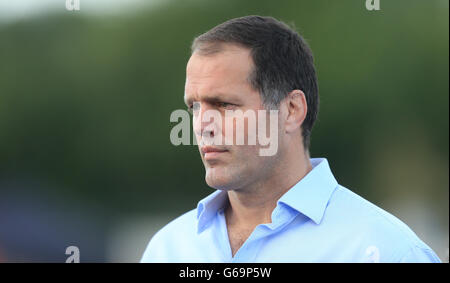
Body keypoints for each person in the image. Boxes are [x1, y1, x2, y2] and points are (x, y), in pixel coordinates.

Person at [141, 15, 441, 263]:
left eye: (224, 105)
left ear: (291, 110)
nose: (202, 125)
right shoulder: (166, 250)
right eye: (194, 106)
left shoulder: (386, 252)